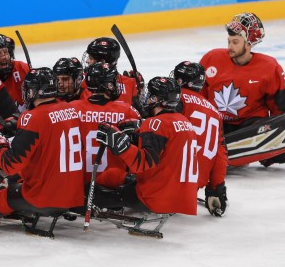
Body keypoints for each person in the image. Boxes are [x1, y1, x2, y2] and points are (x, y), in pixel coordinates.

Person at [0, 67, 86, 218]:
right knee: (17, 177)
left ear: (33, 91)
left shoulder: (32, 118)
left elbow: (11, 165)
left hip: (43, 198)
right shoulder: (71, 109)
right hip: (73, 195)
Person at [199, 13, 285, 167]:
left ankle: (220, 154)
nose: (230, 47)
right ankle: (236, 152)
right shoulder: (212, 58)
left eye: (235, 42)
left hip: (251, 126)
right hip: (216, 124)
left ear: (249, 44)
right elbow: (196, 98)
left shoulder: (269, 67)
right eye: (229, 41)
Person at [96, 77, 199, 215]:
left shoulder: (154, 123)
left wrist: (119, 142)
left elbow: (142, 163)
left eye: (149, 95)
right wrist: (137, 137)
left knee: (94, 191)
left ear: (156, 99)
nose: (146, 98)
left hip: (158, 198)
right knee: (114, 175)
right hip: (184, 197)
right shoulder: (185, 122)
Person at [71, 62, 141, 188]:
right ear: (108, 85)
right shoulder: (126, 110)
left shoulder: (71, 109)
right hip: (114, 183)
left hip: (79, 184)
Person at [172, 61, 228, 216]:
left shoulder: (177, 98)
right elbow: (220, 155)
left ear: (180, 81)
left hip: (168, 180)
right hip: (192, 186)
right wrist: (216, 189)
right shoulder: (214, 112)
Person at [81, 37, 141, 108]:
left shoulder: (85, 80)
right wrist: (139, 89)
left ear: (102, 62)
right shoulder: (130, 83)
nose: (87, 61)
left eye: (91, 58)